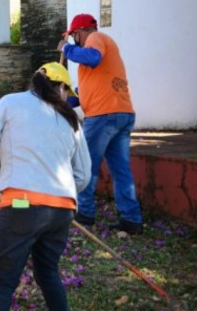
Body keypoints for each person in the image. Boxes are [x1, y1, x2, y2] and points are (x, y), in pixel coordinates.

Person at [0, 62, 91, 311]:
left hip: (21, 203)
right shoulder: (72, 120)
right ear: (60, 88)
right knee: (48, 272)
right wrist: (55, 194)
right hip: (61, 209)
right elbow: (83, 175)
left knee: (4, 279)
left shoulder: (11, 103)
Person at [57, 13, 143, 235]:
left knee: (86, 165)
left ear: (79, 32)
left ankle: (85, 213)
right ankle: (131, 219)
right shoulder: (102, 48)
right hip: (121, 113)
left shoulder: (95, 39)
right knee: (121, 170)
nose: (73, 40)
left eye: (73, 36)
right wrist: (64, 100)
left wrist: (67, 49)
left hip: (104, 116)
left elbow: (92, 57)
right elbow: (85, 94)